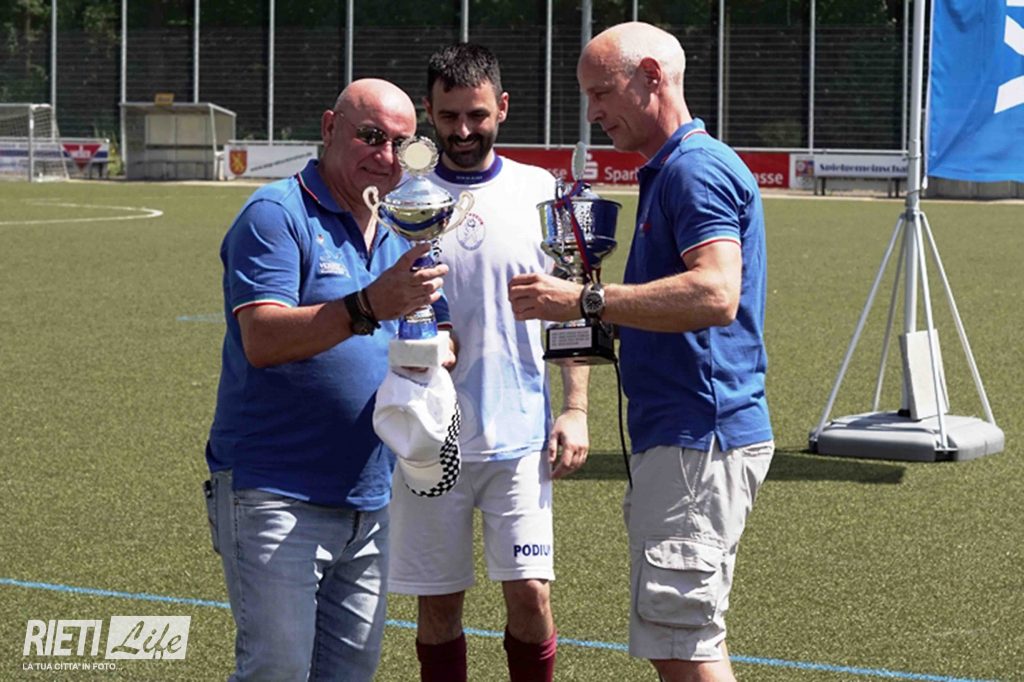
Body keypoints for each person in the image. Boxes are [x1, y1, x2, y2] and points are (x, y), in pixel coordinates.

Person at [508, 22, 774, 682]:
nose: (593, 113)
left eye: (601, 93)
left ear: (652, 77)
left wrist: (587, 300)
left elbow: (716, 293)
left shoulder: (694, 169)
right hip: (687, 433)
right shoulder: (674, 168)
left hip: (697, 435)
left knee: (683, 643)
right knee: (680, 637)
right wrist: (593, 316)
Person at [204, 78, 453, 682]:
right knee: (277, 671)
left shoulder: (396, 222)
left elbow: (437, 327)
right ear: (329, 128)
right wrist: (367, 306)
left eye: (401, 143)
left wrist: (436, 357)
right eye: (371, 136)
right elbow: (263, 339)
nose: (386, 156)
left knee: (349, 674)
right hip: (276, 493)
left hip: (368, 499)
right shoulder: (275, 213)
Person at [386, 43, 591, 682]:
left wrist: (576, 408)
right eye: (448, 116)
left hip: (520, 436)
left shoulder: (542, 191)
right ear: (429, 111)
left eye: (476, 115)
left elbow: (572, 306)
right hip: (429, 437)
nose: (463, 131)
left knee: (531, 596)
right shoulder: (402, 197)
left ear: (502, 106)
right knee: (438, 606)